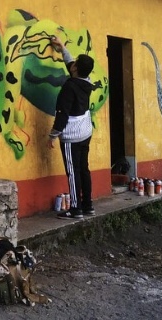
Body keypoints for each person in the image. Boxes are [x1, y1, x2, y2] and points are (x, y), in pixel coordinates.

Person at [48, 36, 95, 220]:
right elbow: (71, 65)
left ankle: (75, 209)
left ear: (76, 68)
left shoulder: (69, 87)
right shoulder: (86, 82)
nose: (72, 64)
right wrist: (62, 48)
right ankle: (88, 205)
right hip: (85, 132)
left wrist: (53, 135)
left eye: (74, 63)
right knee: (83, 169)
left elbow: (62, 113)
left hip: (72, 136)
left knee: (73, 172)